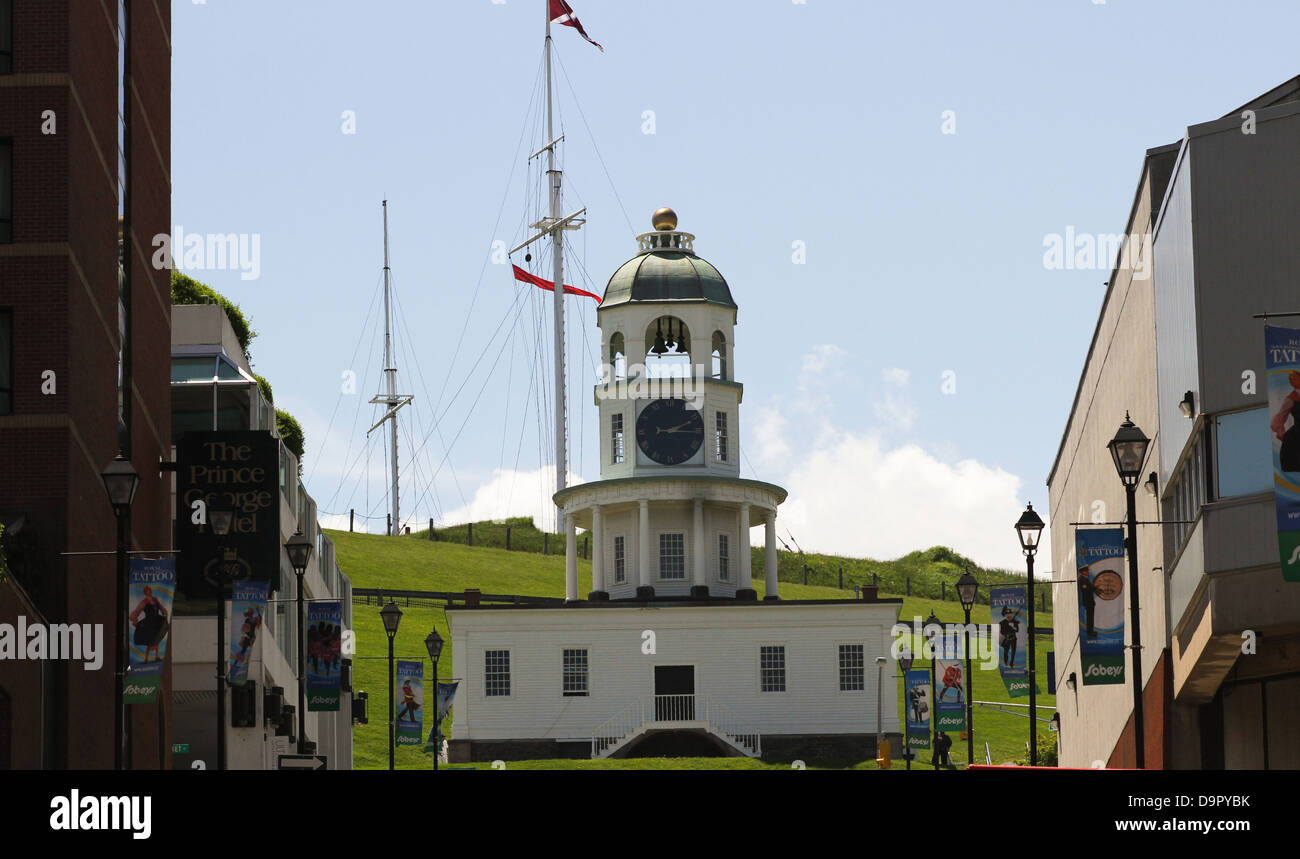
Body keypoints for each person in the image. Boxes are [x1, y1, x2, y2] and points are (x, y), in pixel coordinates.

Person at [128, 585, 168, 662]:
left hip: (157, 620)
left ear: (150, 591)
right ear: (145, 593)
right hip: (149, 622)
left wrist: (164, 611)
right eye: (146, 591)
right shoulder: (144, 601)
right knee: (151, 641)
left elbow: (160, 607)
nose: (148, 592)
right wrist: (134, 618)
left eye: (148, 591)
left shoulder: (155, 599)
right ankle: (146, 659)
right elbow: (137, 611)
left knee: (157, 639)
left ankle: (156, 656)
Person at [1272, 370, 1300, 471]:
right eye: (1290, 379)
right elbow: (1278, 419)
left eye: (1294, 377)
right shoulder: (1291, 399)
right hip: (1297, 435)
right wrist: (1281, 434)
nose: (1292, 380)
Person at [1078, 566, 1097, 640]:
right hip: (1088, 601)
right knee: (1089, 617)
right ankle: (1090, 632)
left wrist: (1094, 588)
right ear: (1083, 572)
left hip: (1090, 601)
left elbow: (1089, 588)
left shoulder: (1086, 579)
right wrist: (1093, 588)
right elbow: (1086, 590)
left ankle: (1091, 631)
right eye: (1086, 571)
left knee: (1091, 617)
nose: (1088, 572)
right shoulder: (1083, 580)